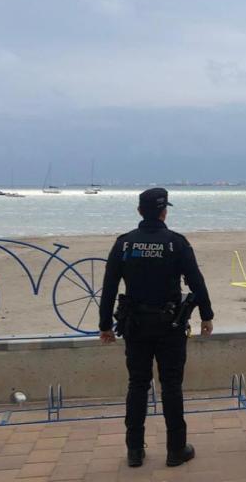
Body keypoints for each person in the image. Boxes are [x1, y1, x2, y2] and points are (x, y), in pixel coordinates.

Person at [98, 187, 214, 468]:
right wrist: (206, 315)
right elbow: (196, 282)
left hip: (135, 326)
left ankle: (134, 450)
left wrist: (105, 325)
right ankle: (176, 449)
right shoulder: (176, 243)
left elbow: (109, 288)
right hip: (170, 327)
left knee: (137, 385)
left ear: (140, 211)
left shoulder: (125, 244)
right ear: (164, 212)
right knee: (171, 386)